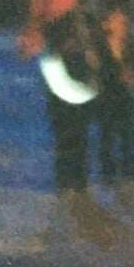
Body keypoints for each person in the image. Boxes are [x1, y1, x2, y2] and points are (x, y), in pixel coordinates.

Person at [39, 13, 99, 194]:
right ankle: (72, 181)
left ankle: (72, 181)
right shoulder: (69, 56)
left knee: (72, 143)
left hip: (67, 107)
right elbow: (90, 80)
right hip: (70, 107)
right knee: (73, 143)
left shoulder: (55, 57)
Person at [94, 8, 134, 186]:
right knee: (107, 134)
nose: (122, 26)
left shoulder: (128, 46)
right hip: (107, 94)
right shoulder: (99, 47)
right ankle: (108, 171)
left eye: (123, 23)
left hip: (124, 94)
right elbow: (98, 71)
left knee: (127, 132)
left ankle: (129, 167)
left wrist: (131, 76)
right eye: (117, 22)